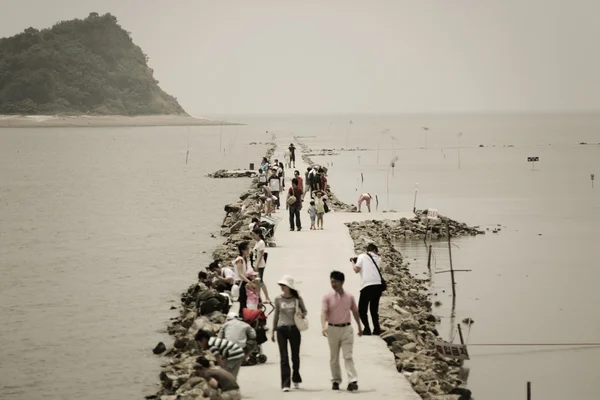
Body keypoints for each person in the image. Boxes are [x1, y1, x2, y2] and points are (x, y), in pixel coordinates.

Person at [321, 271, 362, 392]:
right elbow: (323, 312)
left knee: (348, 356)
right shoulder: (327, 297)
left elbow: (355, 311)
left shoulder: (349, 297)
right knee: (334, 357)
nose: (333, 284)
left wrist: (360, 327)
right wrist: (323, 326)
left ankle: (352, 381)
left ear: (342, 282)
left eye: (335, 281)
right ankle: (335, 380)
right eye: (332, 281)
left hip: (347, 329)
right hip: (332, 329)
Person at [271, 275, 307, 392]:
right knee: (284, 357)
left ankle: (296, 377)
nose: (282, 287)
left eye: (284, 285)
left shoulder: (297, 299)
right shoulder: (278, 299)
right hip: (282, 329)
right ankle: (285, 384)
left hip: (294, 329)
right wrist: (273, 330)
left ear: (289, 287)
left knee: (295, 356)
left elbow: (304, 311)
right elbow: (276, 314)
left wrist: (302, 314)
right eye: (281, 285)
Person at [351, 243, 383, 335]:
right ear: (375, 251)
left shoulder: (361, 256)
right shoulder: (378, 258)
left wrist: (353, 262)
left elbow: (356, 270)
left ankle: (367, 329)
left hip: (367, 286)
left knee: (362, 309)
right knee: (374, 309)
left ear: (367, 250)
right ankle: (377, 329)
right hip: (378, 285)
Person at [232, 241, 256, 318]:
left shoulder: (243, 259)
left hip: (243, 282)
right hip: (240, 283)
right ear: (243, 250)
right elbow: (240, 274)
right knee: (242, 300)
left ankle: (244, 315)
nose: (249, 251)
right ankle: (242, 316)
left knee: (244, 300)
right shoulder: (240, 260)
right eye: (247, 249)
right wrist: (249, 282)